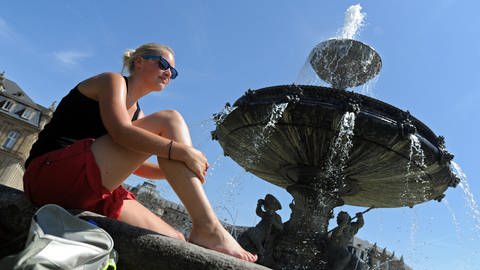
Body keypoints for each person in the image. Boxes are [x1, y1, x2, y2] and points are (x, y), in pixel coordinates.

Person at [23, 42, 257, 262]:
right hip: (50, 174)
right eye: (164, 64)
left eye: (173, 72)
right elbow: (119, 132)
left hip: (89, 187)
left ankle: (202, 231)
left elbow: (136, 165)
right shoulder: (111, 81)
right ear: (139, 61)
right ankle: (209, 227)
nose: (168, 73)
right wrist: (182, 152)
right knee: (170, 119)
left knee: (175, 241)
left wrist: (178, 171)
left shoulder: (139, 116)